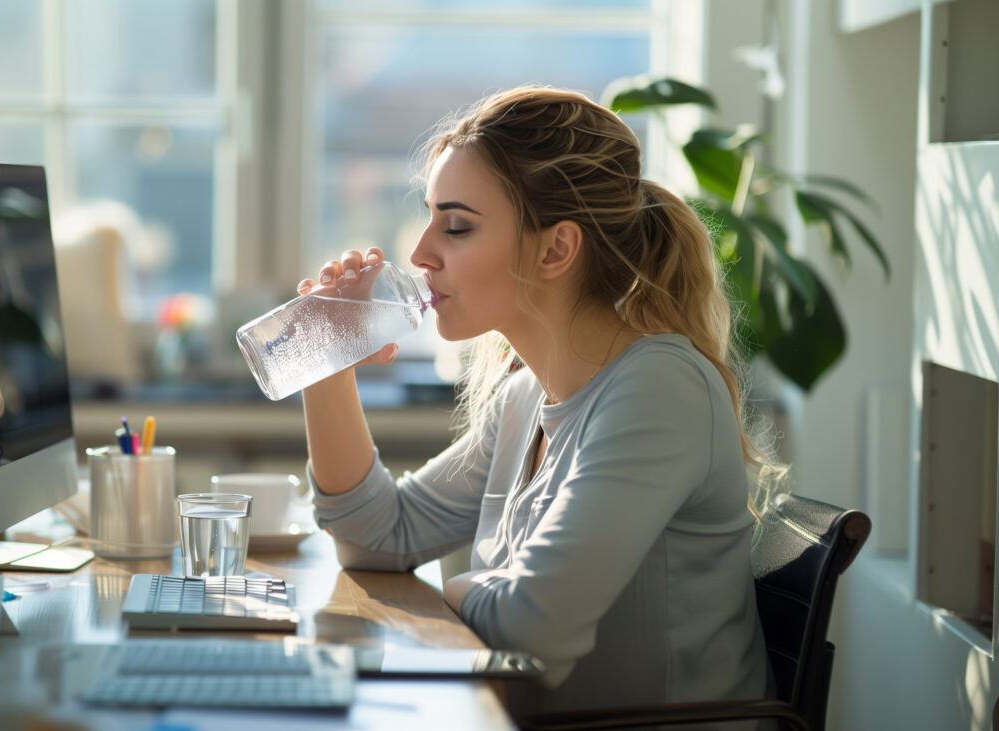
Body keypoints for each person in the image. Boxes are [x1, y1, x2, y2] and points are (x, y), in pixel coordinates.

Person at [297, 85, 774, 722]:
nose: (419, 254)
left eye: (457, 225)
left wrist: (453, 589)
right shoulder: (525, 396)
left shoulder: (660, 389)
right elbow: (378, 536)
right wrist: (324, 364)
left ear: (555, 249)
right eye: (431, 216)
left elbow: (534, 632)